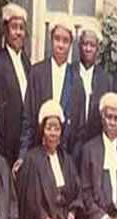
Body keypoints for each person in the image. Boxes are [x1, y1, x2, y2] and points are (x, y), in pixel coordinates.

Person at [17, 17, 75, 172]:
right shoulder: (37, 72)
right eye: (57, 39)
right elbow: (28, 117)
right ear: (51, 40)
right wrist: (22, 154)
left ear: (71, 44)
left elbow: (79, 126)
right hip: (39, 152)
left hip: (64, 156)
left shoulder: (76, 78)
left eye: (65, 40)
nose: (61, 45)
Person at [0, 3, 30, 168]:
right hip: (4, 144)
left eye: (21, 28)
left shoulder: (27, 63)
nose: (18, 32)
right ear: (6, 31)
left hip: (23, 144)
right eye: (14, 27)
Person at [66, 22, 111, 165]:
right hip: (69, 145)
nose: (88, 49)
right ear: (79, 46)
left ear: (98, 49)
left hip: (94, 145)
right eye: (85, 44)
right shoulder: (69, 72)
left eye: (92, 45)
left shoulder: (105, 79)